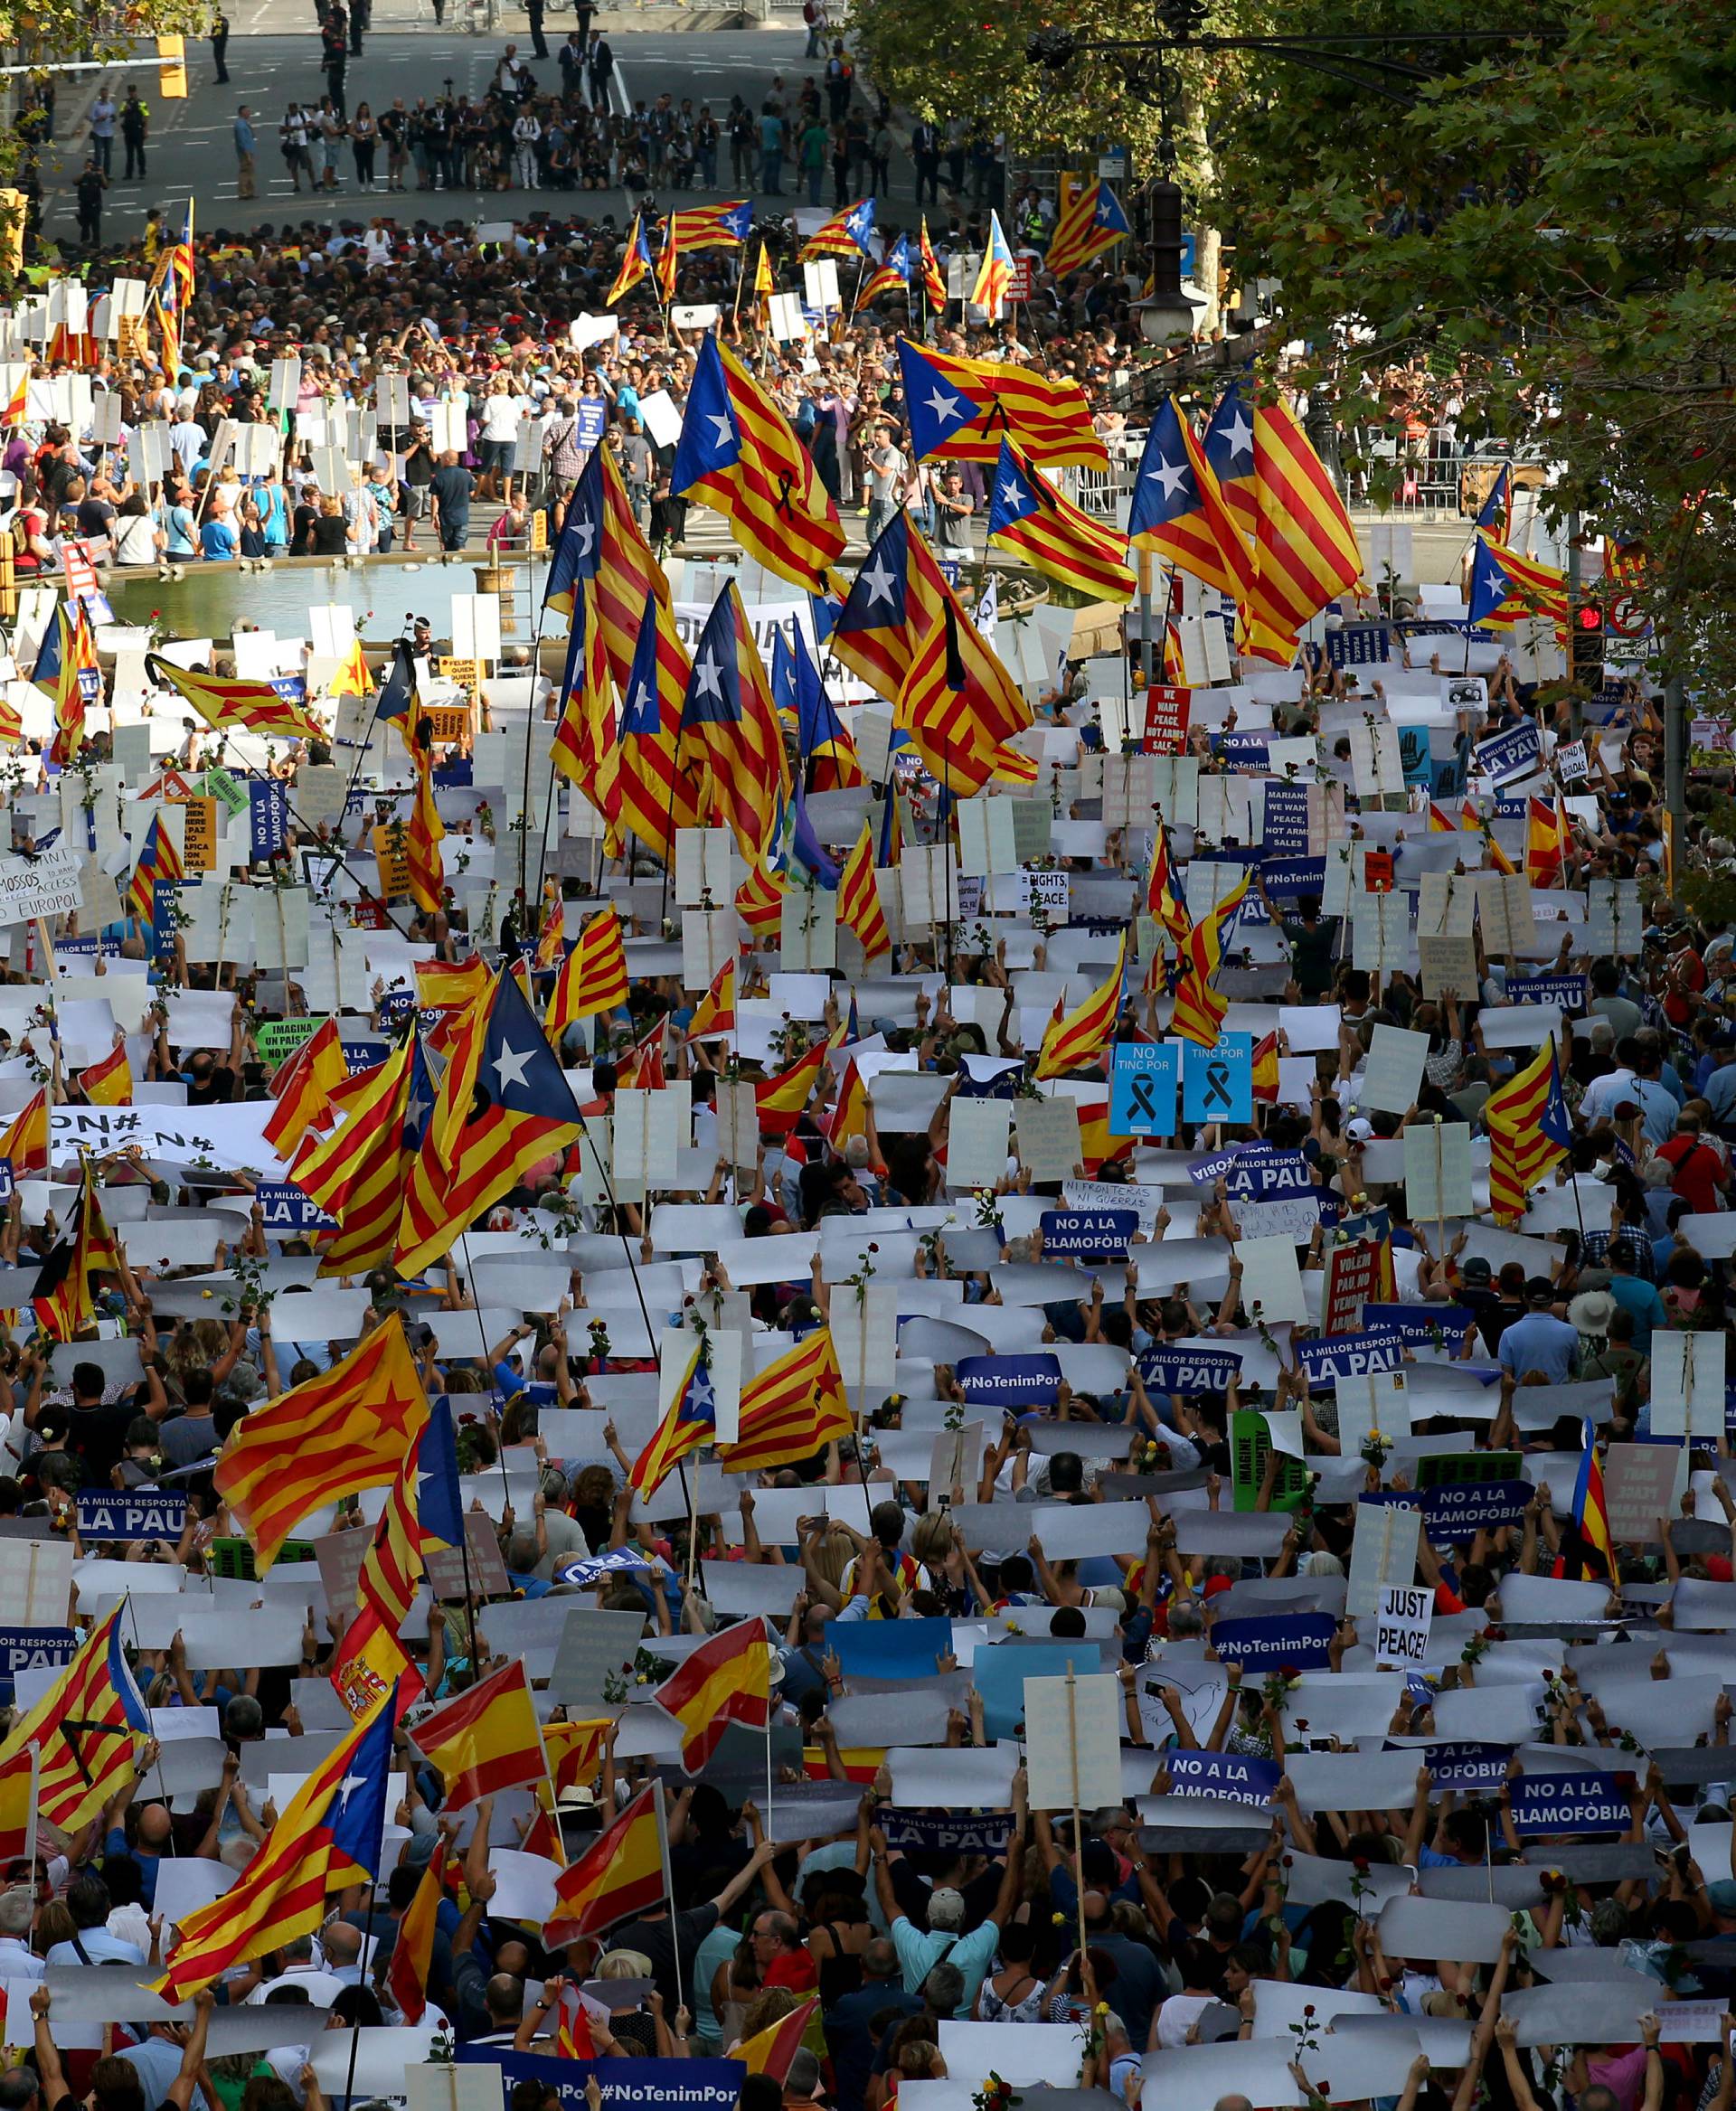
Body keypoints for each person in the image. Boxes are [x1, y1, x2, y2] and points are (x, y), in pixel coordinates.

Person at [429, 448, 474, 551]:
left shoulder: (439, 477)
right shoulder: (466, 475)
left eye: (442, 459)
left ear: (447, 459)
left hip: (446, 518)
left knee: (448, 547)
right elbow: (472, 493)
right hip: (462, 517)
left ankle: (450, 566)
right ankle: (462, 564)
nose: (440, 461)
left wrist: (433, 516)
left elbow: (435, 499)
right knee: (461, 545)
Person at [73, 157, 107, 248]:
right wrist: (84, 172)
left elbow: (105, 186)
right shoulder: (82, 176)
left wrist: (102, 174)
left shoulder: (97, 176)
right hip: (84, 205)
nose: (90, 168)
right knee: (85, 226)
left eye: (91, 166)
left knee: (96, 226)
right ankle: (85, 243)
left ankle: (96, 243)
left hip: (95, 205)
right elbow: (75, 181)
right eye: (88, 166)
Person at [119, 84, 148, 177]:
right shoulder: (125, 102)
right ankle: (129, 173)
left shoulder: (141, 103)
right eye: (130, 92)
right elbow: (121, 114)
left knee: (140, 151)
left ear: (136, 92)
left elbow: (146, 116)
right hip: (128, 130)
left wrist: (145, 130)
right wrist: (125, 110)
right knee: (129, 153)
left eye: (133, 91)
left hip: (138, 129)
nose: (132, 93)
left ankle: (142, 171)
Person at [233, 104, 256, 196]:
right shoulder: (240, 125)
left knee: (250, 171)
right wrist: (247, 155)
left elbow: (252, 135)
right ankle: (243, 192)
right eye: (247, 111)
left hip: (249, 150)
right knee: (245, 172)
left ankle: (250, 191)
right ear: (242, 112)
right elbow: (242, 141)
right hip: (245, 152)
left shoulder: (245, 123)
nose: (249, 113)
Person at [210, 8, 230, 82]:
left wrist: (212, 36)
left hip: (218, 42)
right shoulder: (226, 20)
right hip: (223, 41)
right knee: (221, 60)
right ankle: (225, 76)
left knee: (219, 60)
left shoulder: (218, 22)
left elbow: (217, 33)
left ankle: (222, 77)